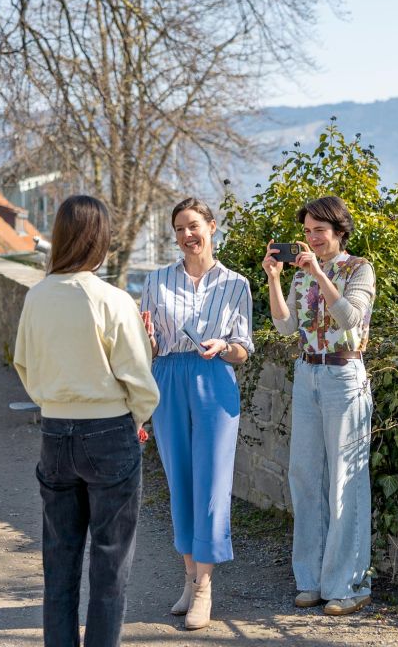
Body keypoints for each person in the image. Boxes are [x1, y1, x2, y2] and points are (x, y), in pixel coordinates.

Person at [14, 194, 160, 647]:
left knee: (59, 559)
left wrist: (56, 402)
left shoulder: (37, 297)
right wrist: (135, 419)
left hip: (56, 431)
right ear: (100, 239)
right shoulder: (112, 299)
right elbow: (137, 377)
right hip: (109, 430)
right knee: (110, 560)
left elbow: (24, 365)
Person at [140, 197, 254, 631]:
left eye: (194, 226)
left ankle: (204, 589)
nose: (188, 235)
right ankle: (191, 578)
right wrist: (146, 339)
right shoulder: (155, 281)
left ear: (211, 227)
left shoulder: (236, 284)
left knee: (212, 484)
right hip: (168, 377)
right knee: (180, 482)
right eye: (179, 229)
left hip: (214, 381)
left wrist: (224, 347)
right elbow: (148, 348)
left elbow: (245, 349)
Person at [262, 195, 376, 616]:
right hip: (307, 373)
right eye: (307, 232)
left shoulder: (359, 269)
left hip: (344, 375)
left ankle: (347, 584)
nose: (312, 239)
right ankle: (310, 579)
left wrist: (318, 273)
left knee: (345, 478)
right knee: (305, 476)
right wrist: (275, 279)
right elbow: (286, 324)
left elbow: (350, 318)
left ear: (339, 232)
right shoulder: (301, 274)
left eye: (319, 232)